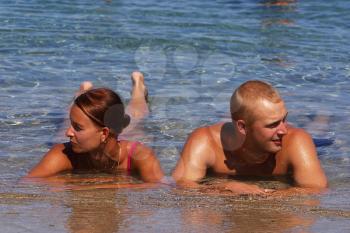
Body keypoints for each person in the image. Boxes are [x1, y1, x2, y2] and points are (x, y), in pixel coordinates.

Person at [172, 80, 327, 195]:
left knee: (321, 137)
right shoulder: (206, 141)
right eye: (273, 124)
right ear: (242, 127)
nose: (283, 130)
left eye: (284, 119)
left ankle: (323, 119)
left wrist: (265, 195)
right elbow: (180, 184)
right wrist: (224, 188)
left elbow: (315, 189)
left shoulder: (296, 141)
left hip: (315, 146)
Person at [26, 71, 164, 183]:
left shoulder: (138, 155)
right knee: (65, 123)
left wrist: (84, 185)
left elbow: (159, 188)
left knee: (137, 117)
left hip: (120, 134)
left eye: (77, 128)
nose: (68, 133)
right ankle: (81, 94)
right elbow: (25, 186)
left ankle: (139, 89)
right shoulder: (64, 153)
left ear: (104, 133)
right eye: (72, 125)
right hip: (98, 131)